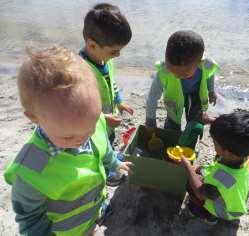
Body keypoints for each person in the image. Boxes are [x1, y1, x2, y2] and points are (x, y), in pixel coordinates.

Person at [4, 46, 133, 235]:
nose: (83, 139)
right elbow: (30, 220)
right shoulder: (31, 170)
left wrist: (114, 163)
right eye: (68, 137)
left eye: (90, 128)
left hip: (92, 211)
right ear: (34, 118)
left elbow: (104, 149)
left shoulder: (92, 121)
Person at [80, 3, 134, 186]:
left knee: (108, 139)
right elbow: (78, 108)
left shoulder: (105, 59)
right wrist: (102, 118)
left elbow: (112, 84)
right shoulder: (80, 71)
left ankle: (110, 159)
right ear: (92, 45)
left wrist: (119, 102)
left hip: (107, 120)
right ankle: (106, 173)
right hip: (92, 125)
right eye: (114, 51)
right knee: (97, 145)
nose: (118, 55)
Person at [181, 110, 249, 224]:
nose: (214, 144)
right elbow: (235, 135)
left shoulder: (222, 176)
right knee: (200, 173)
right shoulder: (242, 154)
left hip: (226, 211)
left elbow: (200, 193)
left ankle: (209, 216)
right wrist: (212, 121)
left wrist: (187, 166)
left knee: (190, 185)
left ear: (228, 152)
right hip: (236, 199)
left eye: (215, 143)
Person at [146, 30, 219, 131]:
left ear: (199, 62)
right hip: (174, 98)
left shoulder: (206, 65)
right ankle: (171, 135)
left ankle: (190, 137)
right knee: (172, 120)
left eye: (183, 74)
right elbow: (152, 97)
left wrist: (211, 90)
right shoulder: (165, 72)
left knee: (195, 120)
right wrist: (150, 120)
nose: (176, 76)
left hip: (196, 95)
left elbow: (210, 74)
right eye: (173, 71)